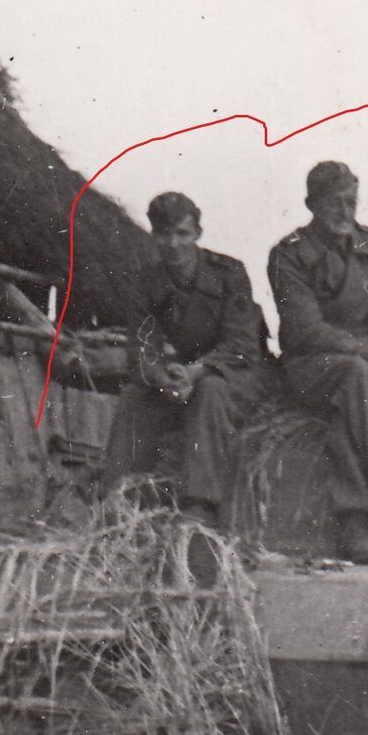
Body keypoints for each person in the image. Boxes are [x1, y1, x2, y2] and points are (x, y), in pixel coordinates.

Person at [267, 161, 368, 564]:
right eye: (334, 203)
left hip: (363, 366)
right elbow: (305, 328)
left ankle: (354, 523)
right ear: (311, 204)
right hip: (310, 364)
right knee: (354, 376)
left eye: (351, 201)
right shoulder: (289, 254)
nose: (345, 211)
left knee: (347, 411)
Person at [103, 191, 275, 528]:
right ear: (154, 235)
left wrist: (194, 372)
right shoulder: (147, 284)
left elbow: (241, 344)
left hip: (243, 370)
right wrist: (162, 378)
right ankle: (118, 499)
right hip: (188, 372)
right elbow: (142, 352)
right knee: (136, 396)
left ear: (197, 233)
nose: (174, 244)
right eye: (164, 234)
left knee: (211, 390)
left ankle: (200, 505)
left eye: (182, 233)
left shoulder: (229, 273)